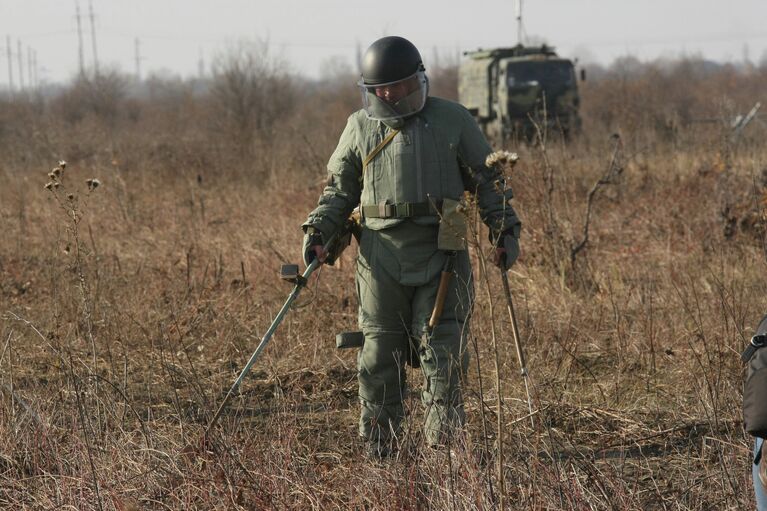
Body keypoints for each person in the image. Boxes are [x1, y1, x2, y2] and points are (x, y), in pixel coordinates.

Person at [301, 36, 521, 458]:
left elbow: (489, 182)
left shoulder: (453, 120)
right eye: (379, 88)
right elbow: (338, 193)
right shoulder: (359, 127)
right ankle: (382, 448)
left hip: (444, 252)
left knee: (443, 352)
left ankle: (446, 452)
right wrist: (318, 236)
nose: (388, 94)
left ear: (418, 80)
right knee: (379, 353)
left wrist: (504, 231)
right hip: (380, 257)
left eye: (397, 86)